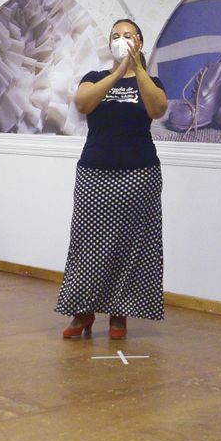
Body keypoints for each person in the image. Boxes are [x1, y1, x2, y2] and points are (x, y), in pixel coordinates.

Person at [57, 19, 168, 340]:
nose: (121, 40)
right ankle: (82, 313)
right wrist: (118, 73)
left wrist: (137, 69)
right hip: (95, 173)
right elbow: (83, 103)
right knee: (87, 245)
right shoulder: (94, 78)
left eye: (128, 35)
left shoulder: (152, 81)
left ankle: (119, 314)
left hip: (139, 175)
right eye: (116, 36)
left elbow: (158, 108)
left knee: (129, 245)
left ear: (140, 42)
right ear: (110, 45)